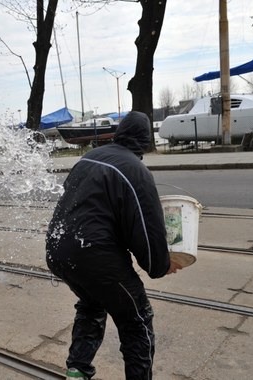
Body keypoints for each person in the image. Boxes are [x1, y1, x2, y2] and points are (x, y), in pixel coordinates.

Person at [45, 111, 183, 380]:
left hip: (58, 249)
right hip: (94, 255)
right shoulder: (135, 170)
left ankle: (77, 372)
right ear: (144, 141)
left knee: (92, 303)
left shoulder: (89, 158)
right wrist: (161, 265)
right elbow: (147, 229)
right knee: (137, 320)